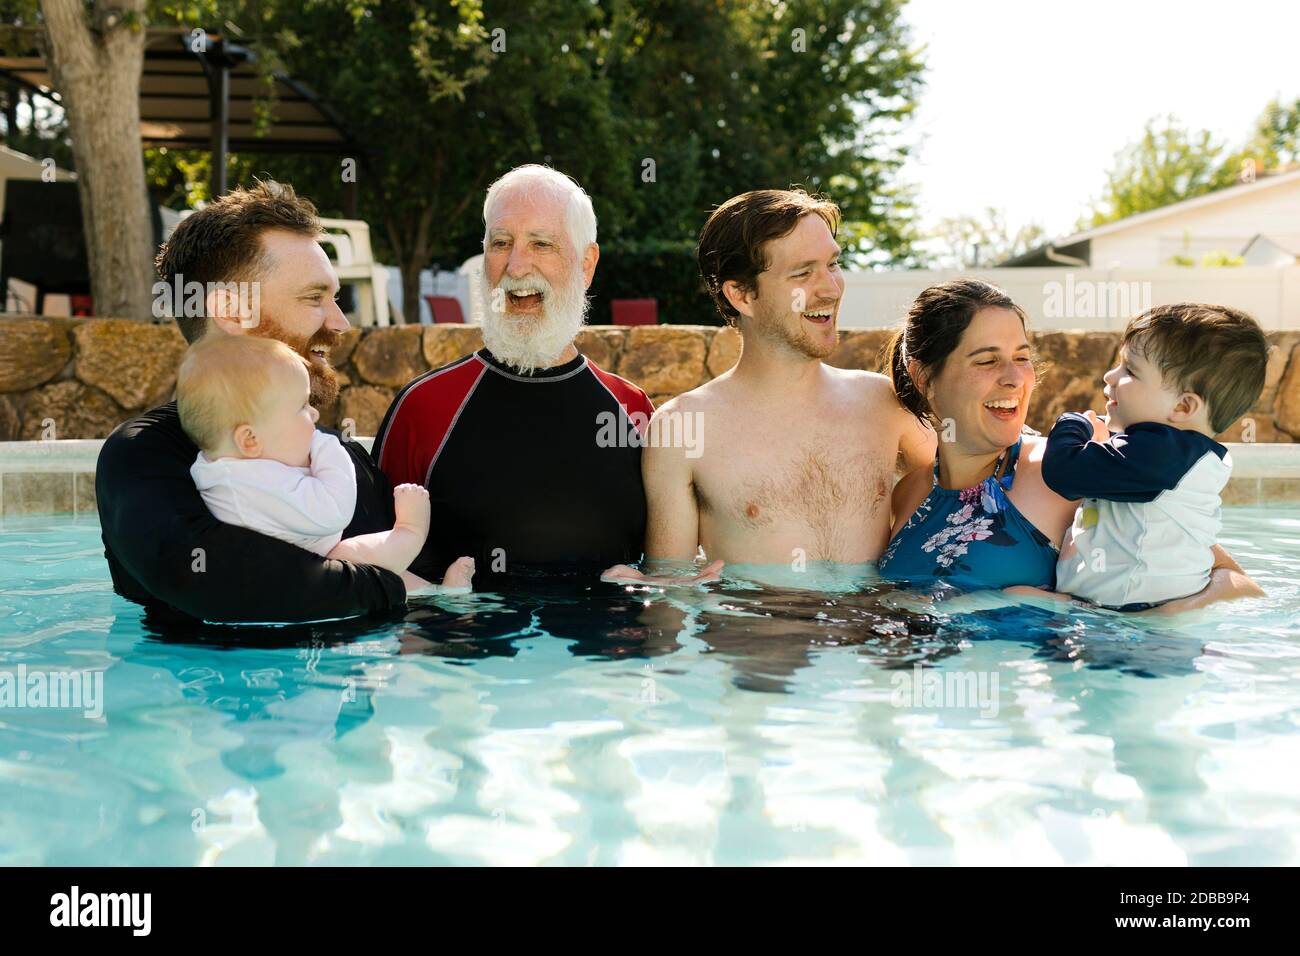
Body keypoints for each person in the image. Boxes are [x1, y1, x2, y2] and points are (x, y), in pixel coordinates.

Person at [96, 180, 409, 624]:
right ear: (231, 312)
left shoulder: (343, 458)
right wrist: (403, 586)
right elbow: (221, 582)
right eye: (314, 298)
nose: (339, 322)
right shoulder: (147, 454)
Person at [604, 188, 935, 583]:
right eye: (803, 273)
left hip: (874, 636)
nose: (830, 287)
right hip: (757, 638)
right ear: (741, 295)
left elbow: (978, 481)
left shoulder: (883, 403)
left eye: (833, 264)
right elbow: (673, 593)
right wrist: (644, 587)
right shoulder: (683, 428)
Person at [879, 279, 1262, 612]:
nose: (1014, 379)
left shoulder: (1075, 472)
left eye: (1022, 358)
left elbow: (1238, 585)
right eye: (987, 361)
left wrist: (1153, 621)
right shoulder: (909, 493)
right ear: (925, 376)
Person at [373, 165, 654, 585]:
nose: (517, 267)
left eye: (541, 244)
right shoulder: (423, 408)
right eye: (501, 243)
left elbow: (662, 570)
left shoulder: (630, 411)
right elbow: (370, 569)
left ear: (587, 263)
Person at [177, 334, 475, 589]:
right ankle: (411, 533)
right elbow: (334, 511)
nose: (316, 416)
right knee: (348, 556)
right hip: (310, 574)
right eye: (302, 407)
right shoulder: (252, 485)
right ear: (250, 440)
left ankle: (436, 591)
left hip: (292, 570)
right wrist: (327, 445)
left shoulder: (216, 468)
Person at [1039, 303, 1269, 611]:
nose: (1109, 376)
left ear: (1184, 407)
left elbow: (1064, 472)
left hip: (1136, 619)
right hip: (1127, 615)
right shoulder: (1180, 456)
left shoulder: (1162, 456)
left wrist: (1071, 423)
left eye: (1130, 370)